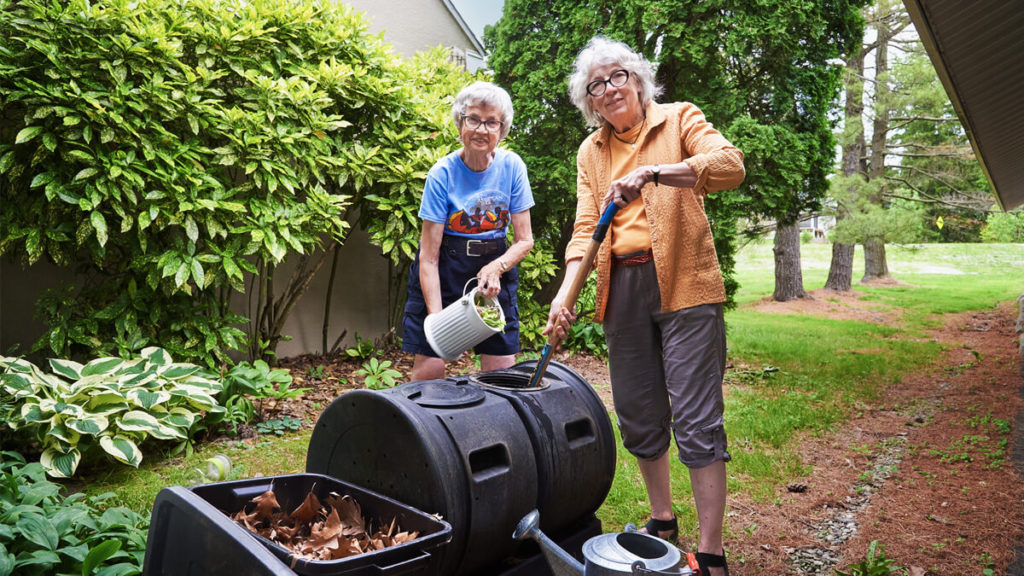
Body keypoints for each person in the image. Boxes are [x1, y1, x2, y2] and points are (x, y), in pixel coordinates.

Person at [544, 37, 744, 576]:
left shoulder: (678, 119)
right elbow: (587, 231)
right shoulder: (592, 152)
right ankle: (662, 520)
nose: (608, 90)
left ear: (637, 79)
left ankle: (710, 551)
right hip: (622, 291)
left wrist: (655, 174)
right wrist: (564, 299)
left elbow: (729, 166)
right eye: (596, 86)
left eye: (616, 77)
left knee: (698, 419)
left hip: (684, 283)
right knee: (637, 412)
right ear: (589, 102)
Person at [402, 81, 534, 381]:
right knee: (430, 370)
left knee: (501, 373)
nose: (481, 130)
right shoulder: (442, 174)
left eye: (491, 122)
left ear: (502, 129)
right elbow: (429, 257)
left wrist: (496, 267)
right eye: (473, 119)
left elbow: (525, 240)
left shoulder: (512, 167)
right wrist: (438, 322)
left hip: (494, 271)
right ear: (460, 123)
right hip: (446, 268)